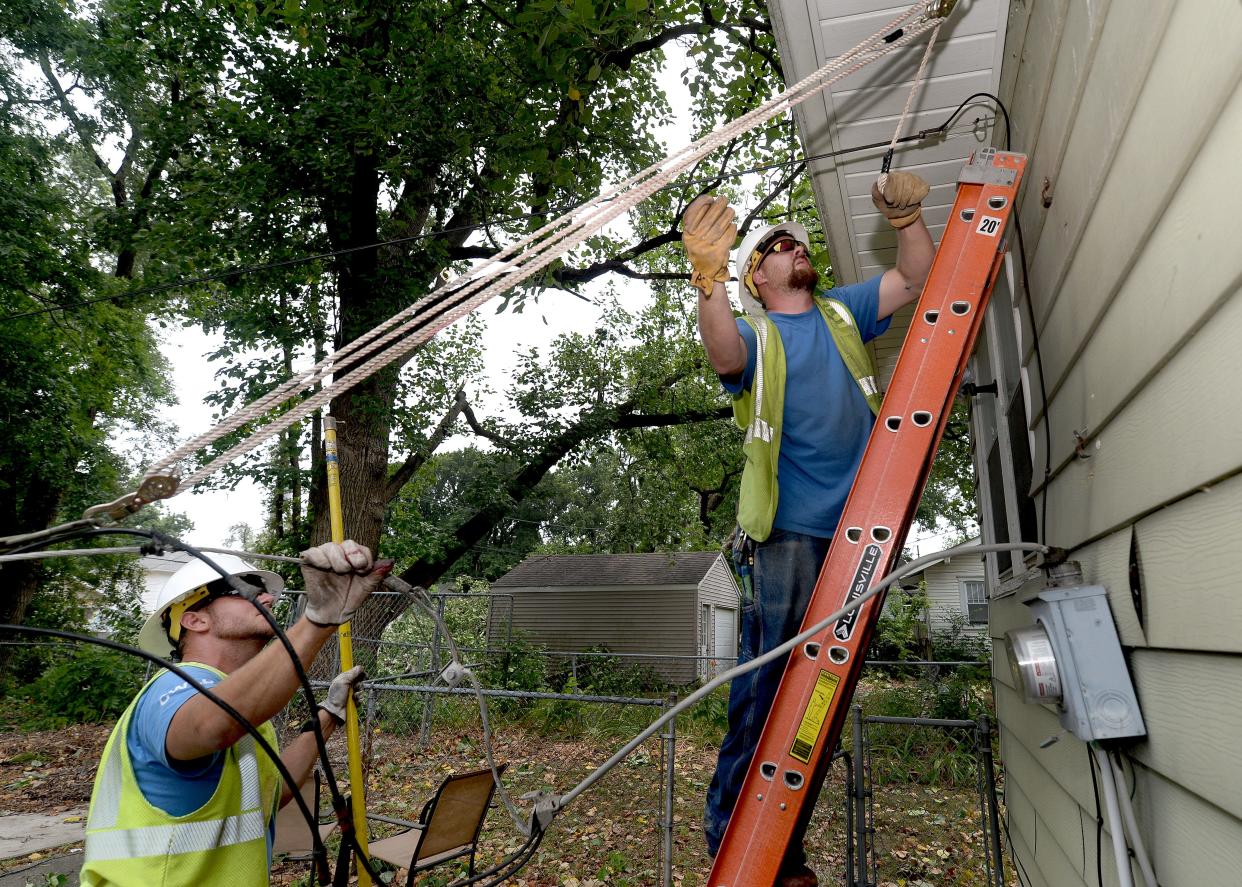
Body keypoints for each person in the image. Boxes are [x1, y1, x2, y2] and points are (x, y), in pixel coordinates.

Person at [682, 172, 935, 885]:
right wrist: (708, 277)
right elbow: (723, 354)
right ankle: (733, 839)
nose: (793, 245)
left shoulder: (841, 313)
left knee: (817, 705)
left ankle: (779, 847)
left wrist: (908, 218)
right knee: (769, 698)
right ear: (758, 279)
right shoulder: (758, 332)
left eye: (796, 240)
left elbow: (915, 276)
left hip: (860, 533)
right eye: (775, 245)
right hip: (789, 535)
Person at [80, 541, 391, 887]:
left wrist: (330, 713)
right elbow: (211, 725)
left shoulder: (239, 702)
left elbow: (272, 793)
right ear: (194, 619)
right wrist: (317, 621)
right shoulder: (172, 689)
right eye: (244, 589)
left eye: (264, 591)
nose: (269, 598)